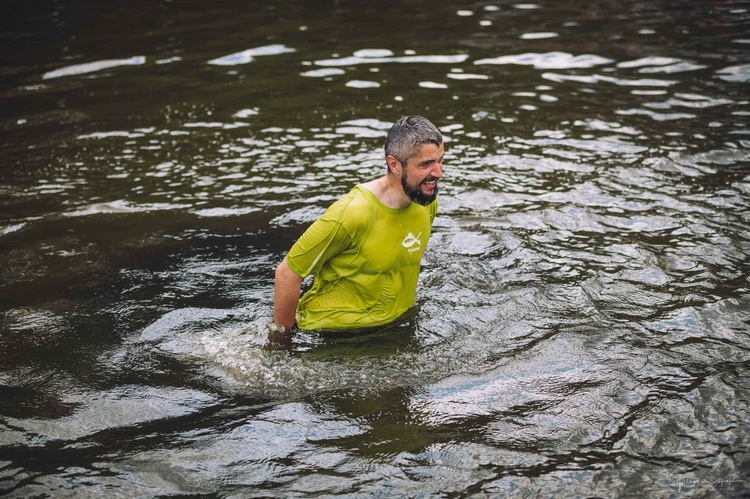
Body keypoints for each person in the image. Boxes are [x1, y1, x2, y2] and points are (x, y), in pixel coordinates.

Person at [272, 115, 444, 332]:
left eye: (440, 160)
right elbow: (287, 273)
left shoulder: (426, 200)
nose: (439, 173)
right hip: (332, 335)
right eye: (426, 164)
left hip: (392, 328)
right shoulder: (352, 213)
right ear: (394, 164)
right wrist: (282, 344)